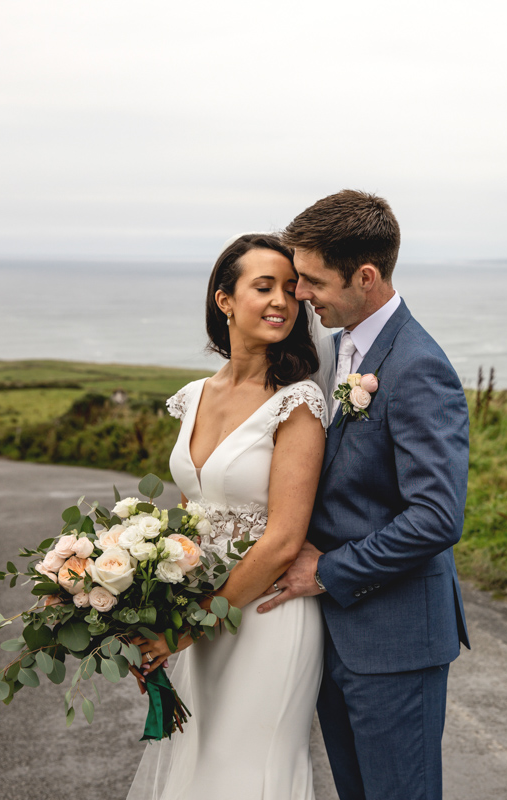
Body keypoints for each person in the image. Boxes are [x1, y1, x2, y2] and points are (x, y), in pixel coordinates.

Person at [258, 190, 471, 800]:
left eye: (312, 280)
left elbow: (436, 517)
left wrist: (327, 571)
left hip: (396, 641)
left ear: (367, 276)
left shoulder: (418, 366)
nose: (300, 294)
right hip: (340, 639)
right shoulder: (337, 348)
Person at [126, 233, 335, 800]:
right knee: (200, 769)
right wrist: (140, 586)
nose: (282, 302)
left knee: (250, 772)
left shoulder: (298, 402)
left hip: (263, 616)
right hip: (200, 614)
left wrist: (185, 628)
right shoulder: (194, 396)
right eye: (263, 287)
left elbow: (285, 540)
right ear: (224, 300)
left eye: (291, 291)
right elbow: (195, 514)